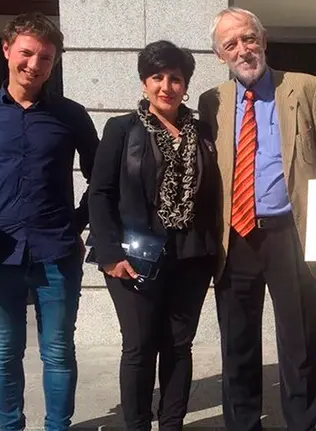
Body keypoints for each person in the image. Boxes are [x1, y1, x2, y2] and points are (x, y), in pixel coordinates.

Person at [0, 12, 97, 431]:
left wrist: (79, 223)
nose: (35, 64)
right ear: (7, 51)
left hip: (56, 251)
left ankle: (57, 426)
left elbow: (103, 179)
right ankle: (10, 427)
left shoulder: (71, 115)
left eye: (45, 57)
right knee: (4, 351)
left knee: (58, 351)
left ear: (54, 61)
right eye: (27, 53)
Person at [197, 7, 316, 431]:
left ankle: (301, 422)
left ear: (263, 40)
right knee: (238, 342)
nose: (243, 49)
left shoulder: (304, 87)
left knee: (298, 341)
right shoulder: (213, 102)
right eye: (231, 44)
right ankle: (243, 423)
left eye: (248, 38)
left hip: (291, 234)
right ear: (219, 55)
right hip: (235, 238)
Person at [87, 40, 220, 431]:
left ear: (186, 84)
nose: (166, 86)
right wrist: (109, 253)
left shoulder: (203, 132)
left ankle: (173, 423)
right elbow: (100, 192)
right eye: (157, 77)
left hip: (191, 257)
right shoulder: (121, 129)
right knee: (140, 346)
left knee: (178, 346)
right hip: (133, 257)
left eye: (175, 78)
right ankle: (138, 425)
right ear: (144, 82)